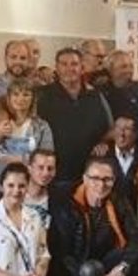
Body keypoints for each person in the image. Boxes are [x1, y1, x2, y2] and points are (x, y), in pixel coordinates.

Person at [50, 159, 138, 276]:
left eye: (107, 179)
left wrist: (121, 269)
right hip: (77, 265)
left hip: (106, 261)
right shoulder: (67, 205)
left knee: (129, 256)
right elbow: (64, 253)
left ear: (113, 181)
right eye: (95, 178)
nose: (101, 185)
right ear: (85, 179)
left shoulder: (118, 200)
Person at [36, 47, 113, 184]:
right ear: (56, 67)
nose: (69, 68)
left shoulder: (96, 96)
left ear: (82, 67)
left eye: (74, 64)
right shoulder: (42, 96)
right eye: (64, 64)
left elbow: (110, 129)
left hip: (90, 176)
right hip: (53, 176)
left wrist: (104, 142)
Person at [0, 77, 55, 204]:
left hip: (30, 190)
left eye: (26, 94)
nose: (20, 99)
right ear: (8, 98)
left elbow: (48, 160)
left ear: (33, 98)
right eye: (16, 94)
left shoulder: (41, 126)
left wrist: (22, 160)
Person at [100, 50, 138, 121]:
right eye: (123, 67)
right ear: (110, 69)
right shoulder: (101, 93)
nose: (129, 70)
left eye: (131, 66)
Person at [108, 115, 138, 191]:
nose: (121, 134)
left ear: (136, 134)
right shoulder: (103, 155)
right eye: (118, 128)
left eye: (127, 129)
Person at [24, 149, 57, 226]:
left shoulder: (60, 200)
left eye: (50, 168)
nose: (45, 173)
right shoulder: (13, 193)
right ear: (29, 168)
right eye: (40, 167)